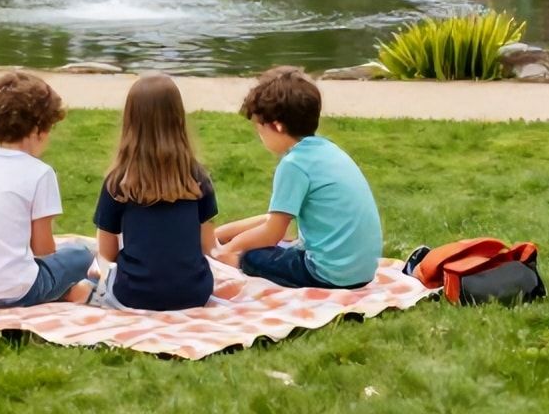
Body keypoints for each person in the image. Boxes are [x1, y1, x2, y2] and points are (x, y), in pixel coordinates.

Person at [212, 68, 383, 290]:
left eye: (260, 129)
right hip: (362, 271)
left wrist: (230, 250)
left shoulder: (294, 165)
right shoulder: (327, 151)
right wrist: (219, 235)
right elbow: (277, 220)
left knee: (253, 256)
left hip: (327, 275)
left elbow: (273, 233)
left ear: (277, 126)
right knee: (268, 245)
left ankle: (232, 263)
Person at [0, 72, 93, 308]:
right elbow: (43, 250)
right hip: (12, 292)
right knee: (80, 255)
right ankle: (68, 291)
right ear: (38, 130)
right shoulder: (40, 173)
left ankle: (63, 290)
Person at [90, 76, 220, 311]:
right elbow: (207, 245)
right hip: (194, 293)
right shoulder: (197, 177)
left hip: (133, 295)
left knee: (86, 266)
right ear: (178, 119)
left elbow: (106, 256)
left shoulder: (118, 181)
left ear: (130, 121)